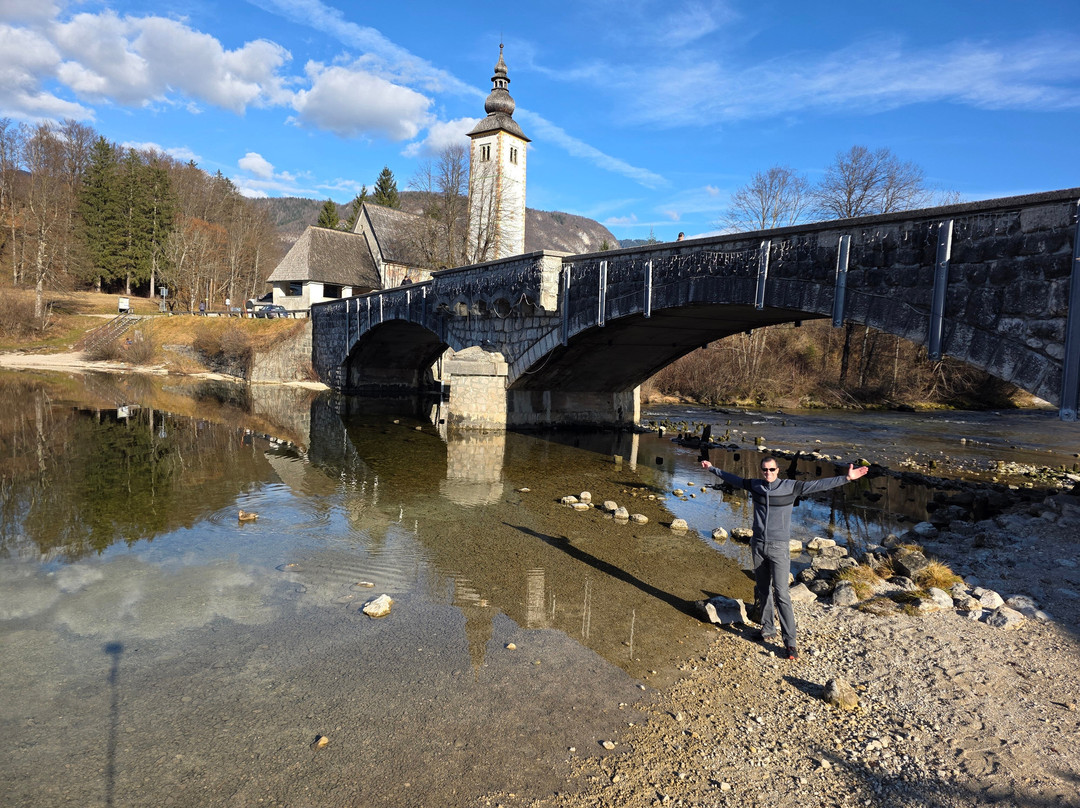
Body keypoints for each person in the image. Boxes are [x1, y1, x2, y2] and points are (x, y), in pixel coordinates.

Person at [701, 455, 868, 660]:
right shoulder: (756, 486)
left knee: (782, 593)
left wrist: (846, 478)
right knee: (762, 589)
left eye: (771, 470)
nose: (768, 473)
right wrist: (712, 469)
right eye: (764, 470)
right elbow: (733, 479)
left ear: (777, 470)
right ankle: (768, 629)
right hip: (758, 545)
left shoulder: (791, 487)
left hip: (779, 547)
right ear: (761, 470)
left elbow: (817, 485)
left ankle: (790, 643)